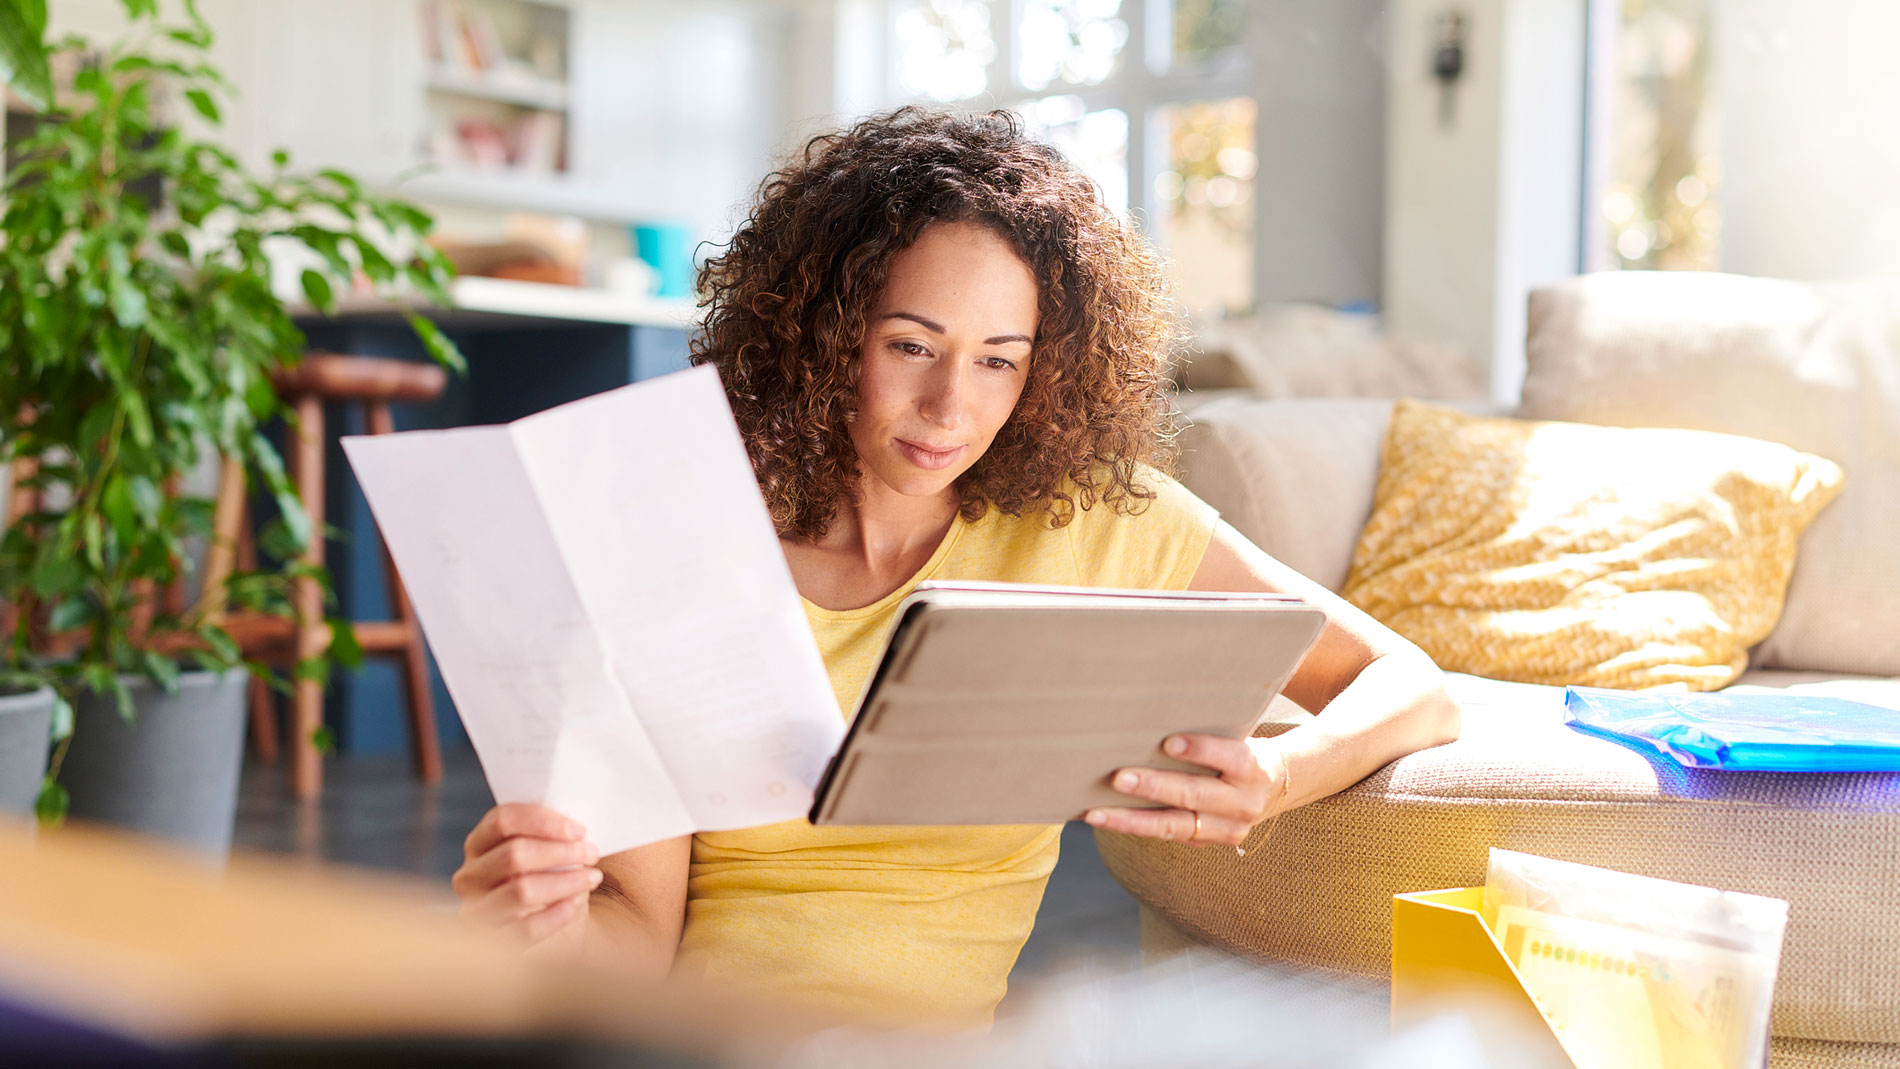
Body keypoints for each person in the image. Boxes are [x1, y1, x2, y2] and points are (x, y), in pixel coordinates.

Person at [451, 107, 1459, 1028]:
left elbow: (1410, 686)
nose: (950, 407)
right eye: (911, 345)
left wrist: (1279, 776)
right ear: (824, 333)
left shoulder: (1094, 518)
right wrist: (546, 922)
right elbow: (637, 943)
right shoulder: (686, 542)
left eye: (998, 359)